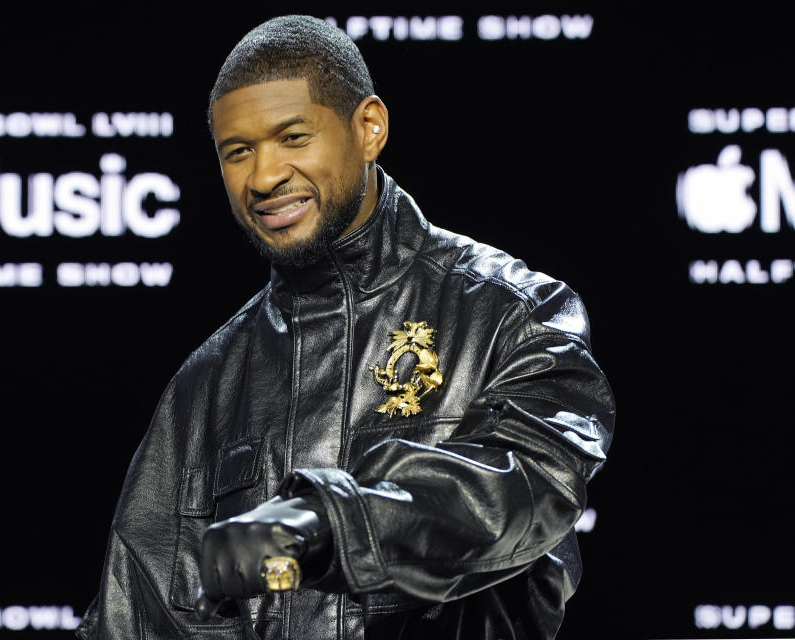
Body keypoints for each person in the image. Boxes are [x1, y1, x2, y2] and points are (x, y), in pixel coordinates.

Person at [77, 14, 614, 640]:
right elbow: (130, 617)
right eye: (238, 152)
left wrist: (329, 526)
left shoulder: (513, 313)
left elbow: (531, 486)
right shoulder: (203, 387)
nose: (264, 176)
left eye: (293, 138)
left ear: (369, 128)